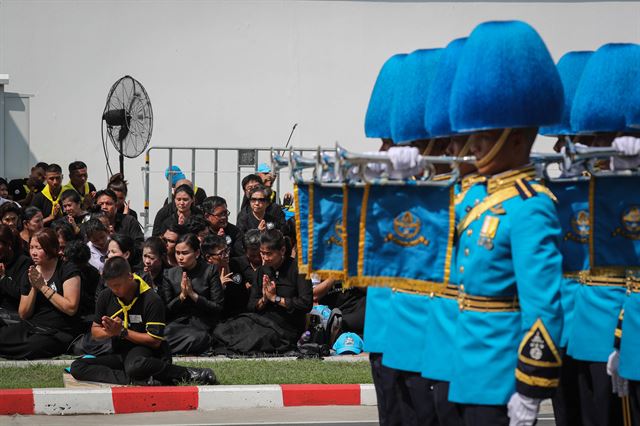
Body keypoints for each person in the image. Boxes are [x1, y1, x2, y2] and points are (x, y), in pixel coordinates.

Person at [446, 21, 564, 425]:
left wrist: (531, 387)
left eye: (485, 133)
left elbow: (542, 305)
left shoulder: (531, 207)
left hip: (500, 375)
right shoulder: (473, 195)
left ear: (516, 137)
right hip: (461, 366)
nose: (472, 143)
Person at [69, 256, 217, 385]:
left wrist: (122, 332)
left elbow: (155, 341)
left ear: (130, 277)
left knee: (135, 365)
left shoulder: (151, 299)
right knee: (77, 366)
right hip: (120, 352)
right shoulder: (105, 296)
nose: (115, 290)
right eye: (110, 286)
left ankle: (188, 373)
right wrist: (109, 332)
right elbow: (95, 332)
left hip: (148, 352)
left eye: (118, 286)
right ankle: (137, 380)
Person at [0, 228, 84, 359]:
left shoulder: (67, 269)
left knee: (33, 347)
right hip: (32, 326)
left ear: (51, 248)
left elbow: (71, 308)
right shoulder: (31, 272)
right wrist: (34, 288)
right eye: (31, 247)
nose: (33, 252)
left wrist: (43, 287)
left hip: (58, 331)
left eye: (38, 248)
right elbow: (23, 314)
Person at [163, 233, 224, 355]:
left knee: (200, 337)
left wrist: (194, 295)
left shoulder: (209, 271)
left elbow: (218, 307)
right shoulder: (169, 274)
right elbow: (166, 310)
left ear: (196, 253)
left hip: (202, 322)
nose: (180, 257)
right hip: (177, 324)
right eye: (177, 253)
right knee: (164, 334)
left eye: (185, 253)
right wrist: (182, 296)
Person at [202, 234, 249, 319]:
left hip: (243, 315)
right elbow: (208, 305)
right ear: (209, 257)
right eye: (221, 253)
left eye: (227, 250)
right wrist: (220, 288)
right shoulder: (204, 275)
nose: (227, 255)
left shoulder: (235, 264)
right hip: (221, 319)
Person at [0, 224, 31, 325]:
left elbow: (20, 293)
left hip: (13, 316)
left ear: (8, 244)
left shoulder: (24, 262)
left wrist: (3, 277)